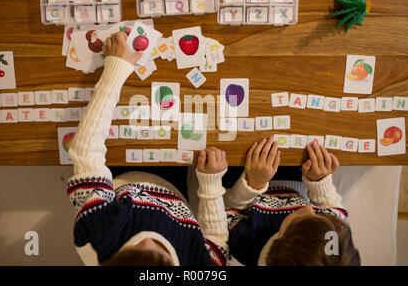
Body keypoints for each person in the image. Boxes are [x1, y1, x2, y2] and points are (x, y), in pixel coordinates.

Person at [66, 31, 229, 266]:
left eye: (136, 243)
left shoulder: (97, 232)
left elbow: (86, 153)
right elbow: (217, 245)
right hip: (173, 187)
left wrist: (116, 67)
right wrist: (211, 184)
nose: (152, 238)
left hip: (120, 175)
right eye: (162, 249)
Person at [224, 137, 361, 266]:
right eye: (319, 215)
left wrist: (254, 183)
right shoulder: (337, 236)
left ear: (277, 242)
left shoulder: (247, 246)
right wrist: (319, 181)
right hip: (296, 174)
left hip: (243, 179)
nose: (309, 208)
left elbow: (228, 209)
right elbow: (332, 208)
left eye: (298, 219)